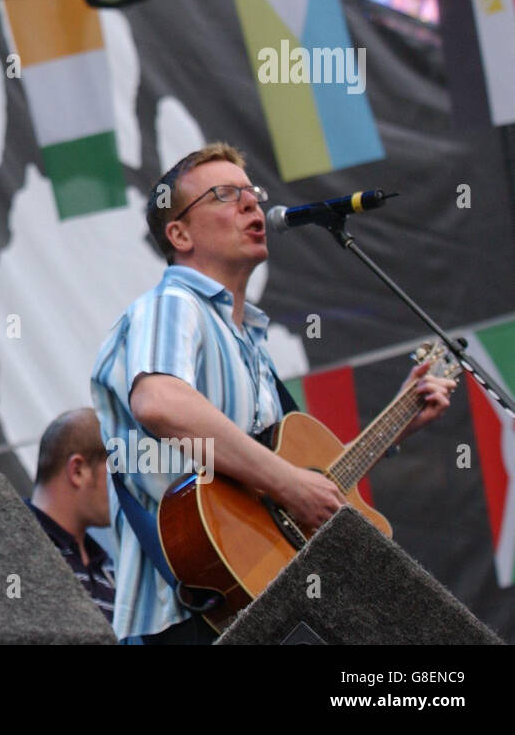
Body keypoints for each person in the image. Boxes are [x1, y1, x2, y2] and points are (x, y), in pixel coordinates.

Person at [90, 143, 455, 645]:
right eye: (224, 195)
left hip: (249, 603)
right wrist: (288, 483)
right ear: (179, 233)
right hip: (182, 615)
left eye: (251, 193)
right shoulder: (174, 304)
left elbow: (277, 489)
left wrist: (396, 425)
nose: (250, 205)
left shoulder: (247, 339)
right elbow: (161, 403)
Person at [27, 408, 116, 624]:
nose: (123, 489)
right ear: (78, 470)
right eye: (116, 472)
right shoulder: (10, 543)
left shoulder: (108, 570)